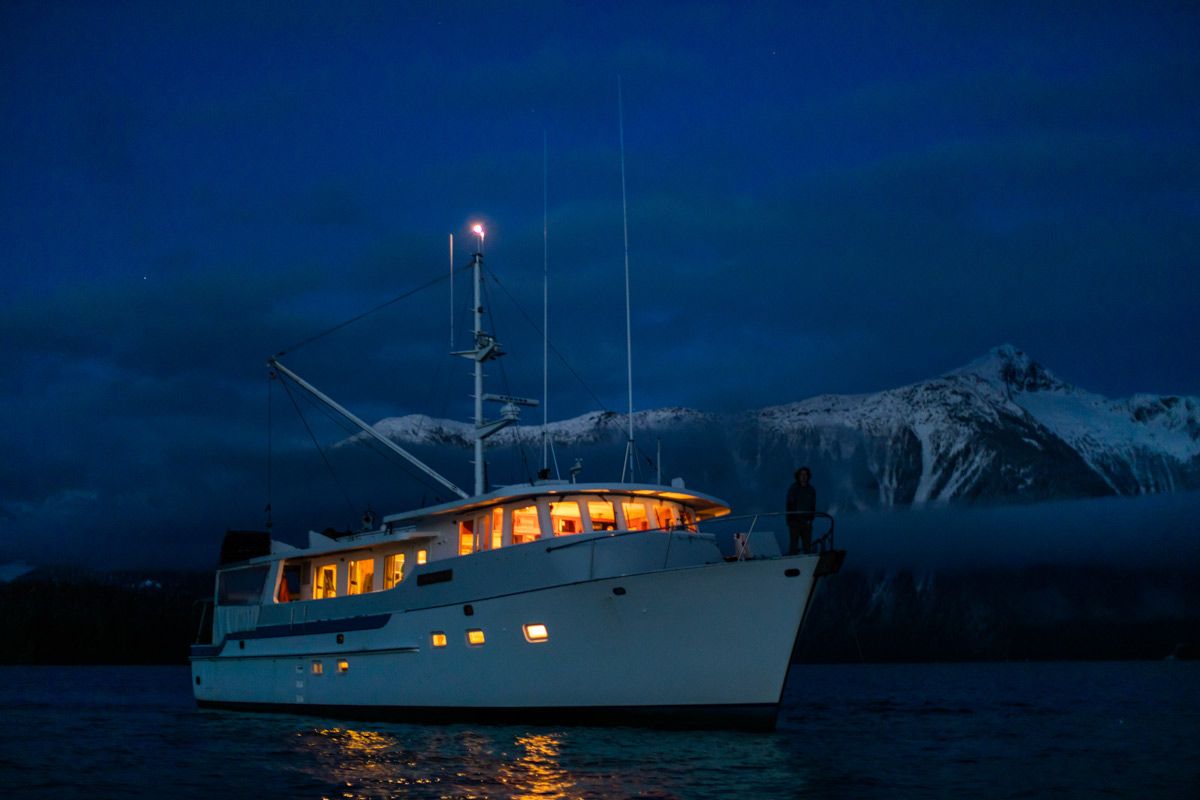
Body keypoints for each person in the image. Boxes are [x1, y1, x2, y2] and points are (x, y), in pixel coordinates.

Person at [785, 467, 816, 555]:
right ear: (798, 476)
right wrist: (790, 521)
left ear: (808, 476)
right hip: (795, 522)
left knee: (807, 545)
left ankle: (808, 560)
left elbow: (813, 506)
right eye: (801, 474)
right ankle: (792, 560)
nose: (803, 476)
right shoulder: (793, 489)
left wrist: (811, 519)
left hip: (807, 522)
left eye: (805, 474)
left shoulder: (811, 490)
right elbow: (789, 505)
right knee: (794, 545)